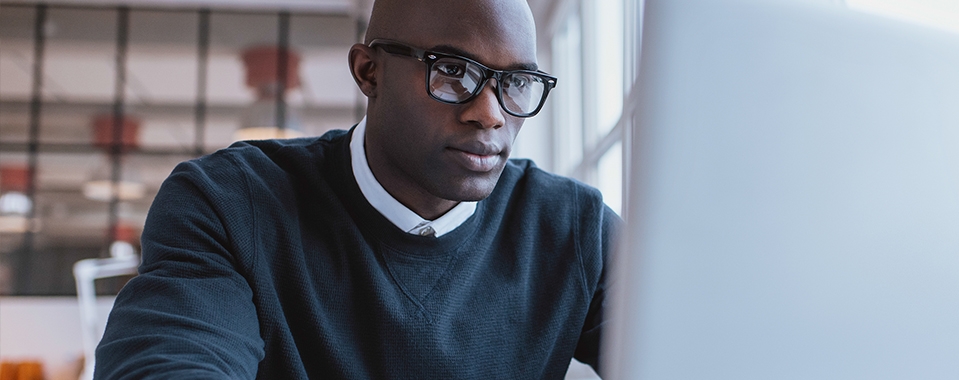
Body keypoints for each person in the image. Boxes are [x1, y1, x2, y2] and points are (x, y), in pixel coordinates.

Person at [94, 0, 618, 378]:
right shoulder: (231, 202)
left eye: (517, 83)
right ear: (369, 72)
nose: (490, 113)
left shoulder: (578, 230)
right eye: (453, 71)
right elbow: (168, 360)